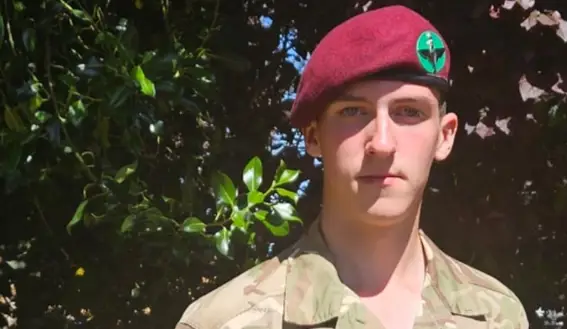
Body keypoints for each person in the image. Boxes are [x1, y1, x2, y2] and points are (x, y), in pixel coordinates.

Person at [175, 5, 528, 329]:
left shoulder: (497, 315)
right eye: (353, 112)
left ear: (445, 136)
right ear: (313, 137)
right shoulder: (224, 322)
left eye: (410, 112)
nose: (382, 143)